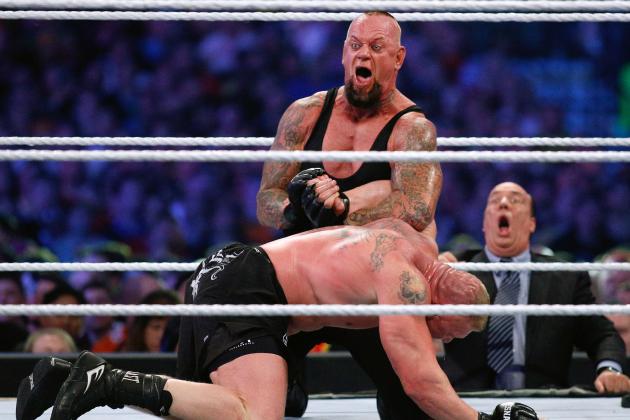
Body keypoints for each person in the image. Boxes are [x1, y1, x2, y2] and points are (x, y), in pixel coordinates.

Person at [17, 218, 539, 420]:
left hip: (228, 274)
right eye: (447, 330)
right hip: (252, 285)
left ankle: (62, 376)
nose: (439, 339)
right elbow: (421, 382)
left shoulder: (412, 244)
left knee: (204, 410)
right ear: (442, 305)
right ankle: (104, 379)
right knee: (258, 415)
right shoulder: (407, 283)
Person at [256, 10, 442, 418]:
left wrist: (340, 212)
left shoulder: (412, 129)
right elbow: (266, 198)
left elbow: (416, 208)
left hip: (368, 293)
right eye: (356, 45)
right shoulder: (305, 114)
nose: (364, 55)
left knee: (408, 406)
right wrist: (294, 211)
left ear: (398, 58)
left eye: (377, 47)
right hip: (301, 289)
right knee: (272, 399)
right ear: (343, 53)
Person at [439, 182, 630, 393]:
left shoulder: (564, 277)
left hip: (544, 399)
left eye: (515, 200)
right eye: (495, 200)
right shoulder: (457, 272)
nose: (504, 204)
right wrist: (432, 273)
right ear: (485, 223)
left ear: (531, 223)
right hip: (467, 398)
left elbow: (602, 334)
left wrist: (610, 370)